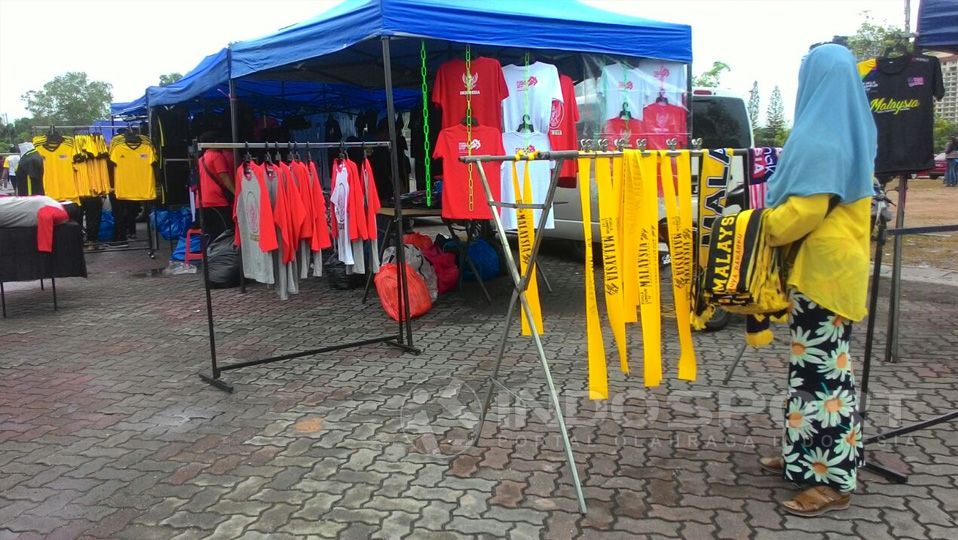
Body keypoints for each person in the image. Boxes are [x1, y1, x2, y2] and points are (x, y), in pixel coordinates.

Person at [757, 44, 876, 517]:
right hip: (837, 269)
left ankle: (830, 483)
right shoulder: (854, 129)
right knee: (816, 376)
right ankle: (802, 459)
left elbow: (802, 213)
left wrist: (758, 223)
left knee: (824, 383)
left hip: (821, 275)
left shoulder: (821, 139)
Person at [196, 131, 235, 241]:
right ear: (216, 142)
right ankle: (221, 257)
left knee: (210, 235)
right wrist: (235, 192)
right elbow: (224, 177)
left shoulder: (200, 159)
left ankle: (211, 256)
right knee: (225, 233)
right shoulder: (217, 157)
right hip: (217, 202)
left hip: (201, 203)